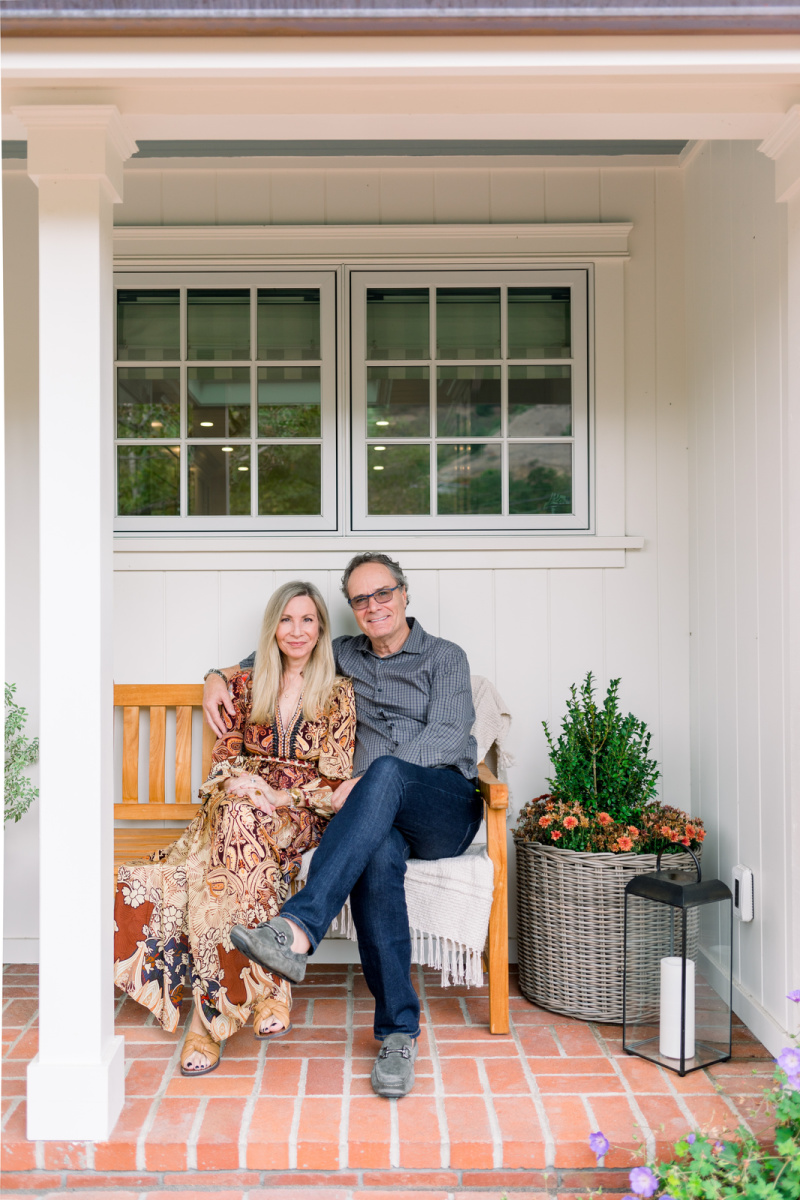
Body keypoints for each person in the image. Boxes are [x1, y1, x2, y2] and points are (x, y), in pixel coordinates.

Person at [202, 553, 482, 1098]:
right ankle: (398, 1032)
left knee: (386, 772)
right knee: (376, 859)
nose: (373, 606)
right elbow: (270, 653)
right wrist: (214, 675)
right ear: (351, 609)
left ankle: (297, 928)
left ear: (405, 594)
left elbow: (449, 736)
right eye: (360, 599)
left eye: (383, 593)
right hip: (379, 815)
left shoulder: (445, 658)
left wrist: (378, 779)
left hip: (442, 804)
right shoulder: (342, 655)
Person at [114, 581, 355, 1077]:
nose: (296, 630)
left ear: (321, 629)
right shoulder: (245, 687)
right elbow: (224, 762)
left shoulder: (339, 693)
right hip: (239, 809)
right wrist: (243, 781)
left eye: (307, 620)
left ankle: (204, 1025)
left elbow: (336, 784)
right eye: (286, 620)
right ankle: (267, 993)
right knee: (237, 824)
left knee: (226, 856)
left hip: (298, 817)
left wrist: (280, 796)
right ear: (272, 628)